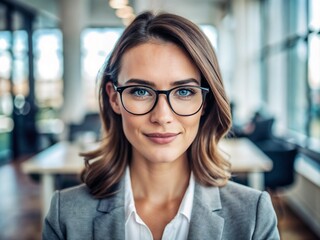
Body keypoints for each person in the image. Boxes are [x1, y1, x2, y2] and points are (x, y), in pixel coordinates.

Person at [43, 11, 280, 240]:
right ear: (114, 98)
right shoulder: (65, 214)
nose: (162, 116)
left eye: (185, 91)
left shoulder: (253, 215)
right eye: (140, 91)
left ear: (205, 101)